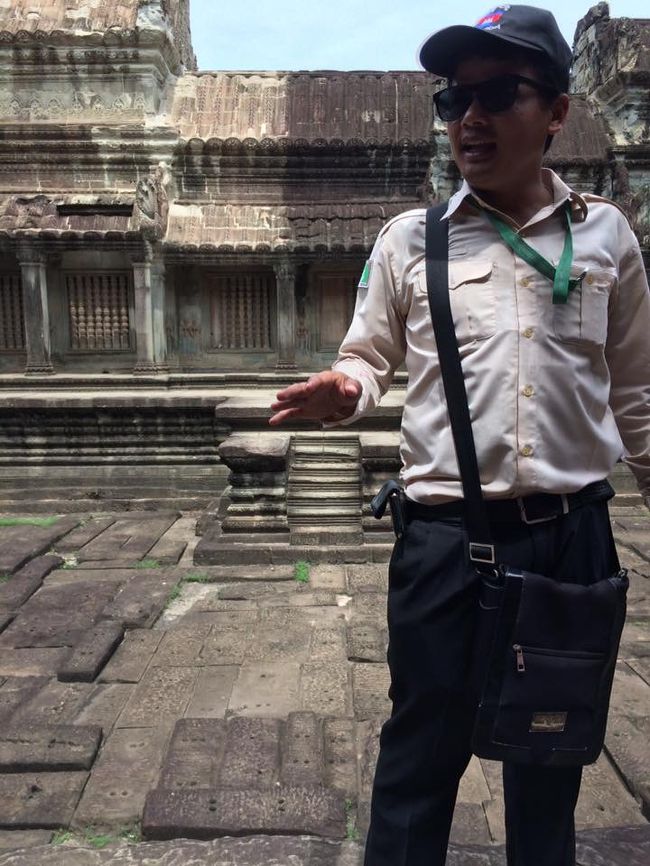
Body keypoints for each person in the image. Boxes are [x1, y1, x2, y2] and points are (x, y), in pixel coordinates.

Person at [270, 5, 650, 865]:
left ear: (556, 112)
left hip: (573, 540)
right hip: (447, 541)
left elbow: (636, 391)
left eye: (497, 94)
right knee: (420, 757)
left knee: (550, 757)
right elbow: (366, 357)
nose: (469, 117)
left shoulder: (606, 236)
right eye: (453, 99)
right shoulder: (412, 241)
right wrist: (345, 388)